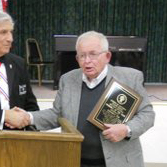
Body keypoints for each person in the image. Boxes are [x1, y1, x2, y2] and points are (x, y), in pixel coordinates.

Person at [9, 31, 155, 167]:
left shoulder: (129, 78)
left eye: (93, 54)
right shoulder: (68, 79)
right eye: (82, 56)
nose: (87, 61)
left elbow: (147, 115)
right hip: (76, 160)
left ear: (107, 56)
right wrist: (28, 117)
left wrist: (126, 129)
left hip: (119, 161)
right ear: (77, 58)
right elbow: (58, 115)